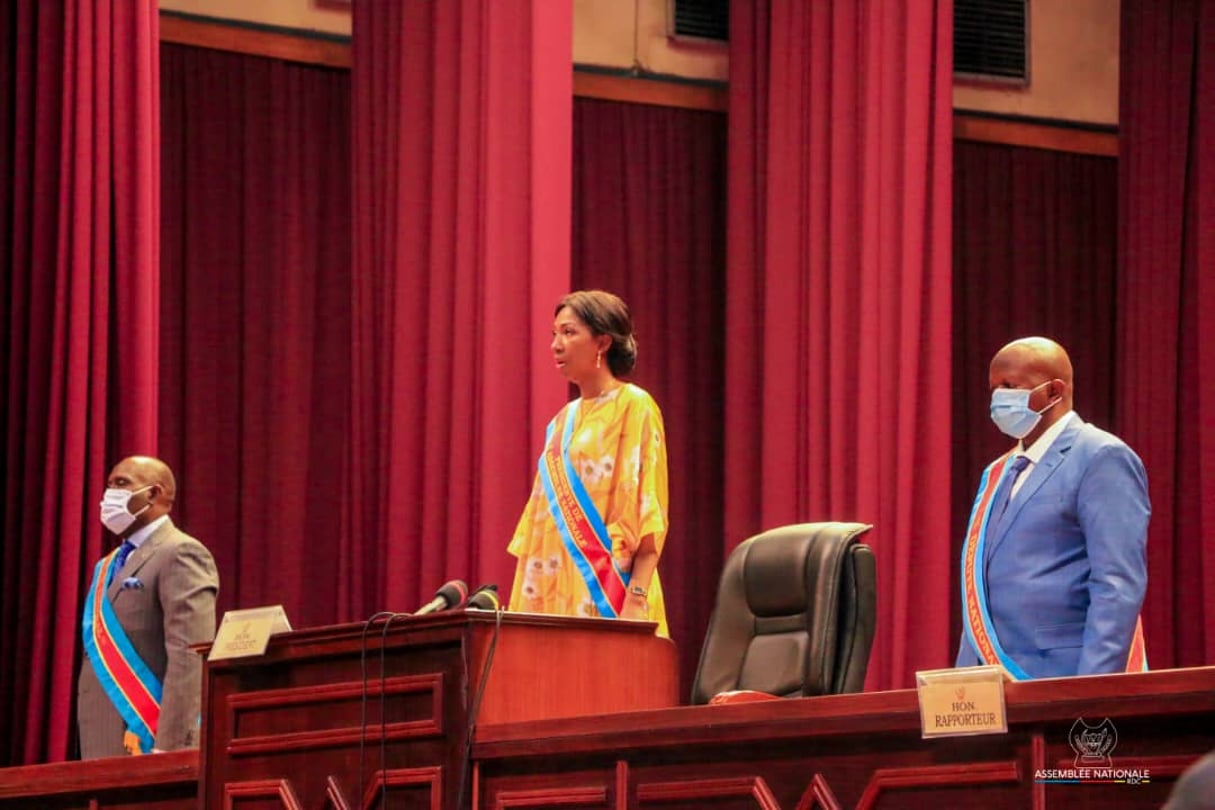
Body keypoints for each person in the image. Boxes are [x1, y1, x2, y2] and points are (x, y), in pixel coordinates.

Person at [956, 337, 1150, 680]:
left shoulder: (1100, 456)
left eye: (1010, 386)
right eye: (994, 389)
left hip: (1064, 677)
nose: (998, 399)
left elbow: (1116, 584)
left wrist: (1092, 690)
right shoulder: (998, 472)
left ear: (1054, 390)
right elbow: (981, 589)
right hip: (990, 682)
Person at [507, 290, 671, 637]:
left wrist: (636, 599)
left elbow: (648, 513)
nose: (555, 344)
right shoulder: (561, 422)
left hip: (612, 593)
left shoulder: (635, 406)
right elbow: (539, 525)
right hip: (555, 588)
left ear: (602, 342)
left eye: (568, 332)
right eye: (554, 334)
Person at [77, 455, 219, 758]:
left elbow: (189, 656)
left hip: (148, 740)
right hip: (100, 735)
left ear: (153, 493)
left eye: (121, 484)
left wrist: (172, 749)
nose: (109, 495)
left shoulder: (181, 552)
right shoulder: (106, 565)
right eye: (109, 485)